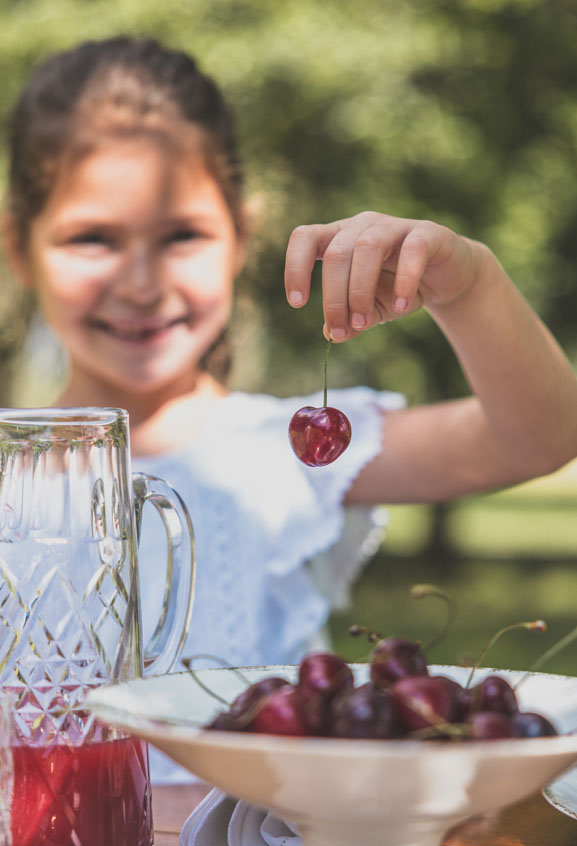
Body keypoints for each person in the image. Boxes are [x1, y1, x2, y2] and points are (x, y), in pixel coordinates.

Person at [3, 37, 577, 783]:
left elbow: (536, 438)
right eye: (92, 239)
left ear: (243, 232)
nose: (141, 283)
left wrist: (470, 286)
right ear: (20, 246)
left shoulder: (287, 448)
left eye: (182, 235)